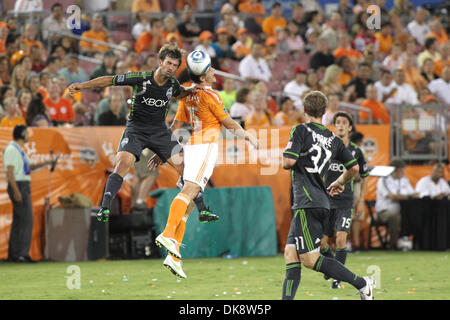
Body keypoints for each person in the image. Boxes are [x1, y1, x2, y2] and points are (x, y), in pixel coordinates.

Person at [67, 44, 214, 224]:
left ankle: (202, 210)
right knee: (122, 164)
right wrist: (83, 86)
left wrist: (194, 89)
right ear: (160, 62)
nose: (171, 68)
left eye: (175, 65)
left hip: (159, 131)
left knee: (183, 166)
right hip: (136, 129)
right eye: (168, 63)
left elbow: (182, 93)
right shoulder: (141, 78)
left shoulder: (173, 85)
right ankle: (104, 207)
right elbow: (110, 80)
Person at [151, 51, 259, 278]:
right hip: (205, 146)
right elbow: (229, 124)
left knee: (189, 203)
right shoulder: (212, 96)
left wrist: (162, 152)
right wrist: (248, 136)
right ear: (202, 76)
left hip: (191, 146)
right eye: (210, 69)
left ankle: (174, 255)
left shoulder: (186, 96)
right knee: (190, 192)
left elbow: (175, 127)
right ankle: (168, 233)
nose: (213, 72)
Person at [281, 90, 373, 300]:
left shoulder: (300, 130)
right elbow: (355, 169)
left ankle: (362, 283)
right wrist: (340, 181)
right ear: (324, 112)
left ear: (304, 110)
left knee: (310, 260)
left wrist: (285, 158)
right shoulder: (333, 139)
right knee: (290, 254)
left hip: (307, 201)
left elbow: (288, 162)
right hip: (318, 201)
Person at [320, 111, 369, 289]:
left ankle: (337, 279)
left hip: (345, 202)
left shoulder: (356, 151)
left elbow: (364, 176)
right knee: (322, 244)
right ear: (334, 126)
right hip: (326, 200)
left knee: (341, 240)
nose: (340, 125)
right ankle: (334, 267)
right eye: (337, 122)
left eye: (343, 122)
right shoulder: (326, 148)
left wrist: (361, 199)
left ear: (349, 127)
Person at [3, 124, 56, 263]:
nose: (28, 135)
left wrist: (47, 162)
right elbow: (10, 172)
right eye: (26, 133)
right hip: (19, 185)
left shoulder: (18, 150)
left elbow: (30, 166)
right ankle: (21, 254)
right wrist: (16, 191)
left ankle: (15, 254)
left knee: (19, 221)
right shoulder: (12, 150)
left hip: (21, 184)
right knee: (26, 220)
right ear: (21, 134)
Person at [375, 160, 417, 250]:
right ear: (394, 170)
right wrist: (408, 196)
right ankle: (393, 245)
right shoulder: (384, 180)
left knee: (413, 215)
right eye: (401, 170)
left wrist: (405, 196)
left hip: (402, 211)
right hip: (384, 212)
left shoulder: (405, 180)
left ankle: (410, 241)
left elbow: (414, 194)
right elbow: (392, 196)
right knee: (395, 217)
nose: (403, 172)